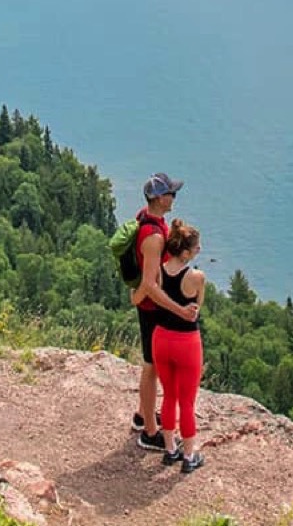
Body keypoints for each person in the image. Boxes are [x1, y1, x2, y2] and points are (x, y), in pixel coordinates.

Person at [129, 172, 198, 452]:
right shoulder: (154, 237)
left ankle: (143, 414)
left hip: (148, 306)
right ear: (159, 198)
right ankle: (149, 432)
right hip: (152, 309)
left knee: (152, 364)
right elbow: (149, 284)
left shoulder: (147, 218)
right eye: (171, 194)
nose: (174, 198)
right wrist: (180, 310)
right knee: (152, 365)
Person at [151, 221, 207, 473]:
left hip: (161, 338)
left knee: (169, 395)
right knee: (187, 401)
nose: (199, 249)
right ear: (185, 252)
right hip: (186, 343)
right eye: (196, 247)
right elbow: (197, 309)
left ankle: (169, 449)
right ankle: (188, 456)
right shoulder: (195, 277)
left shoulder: (159, 271)